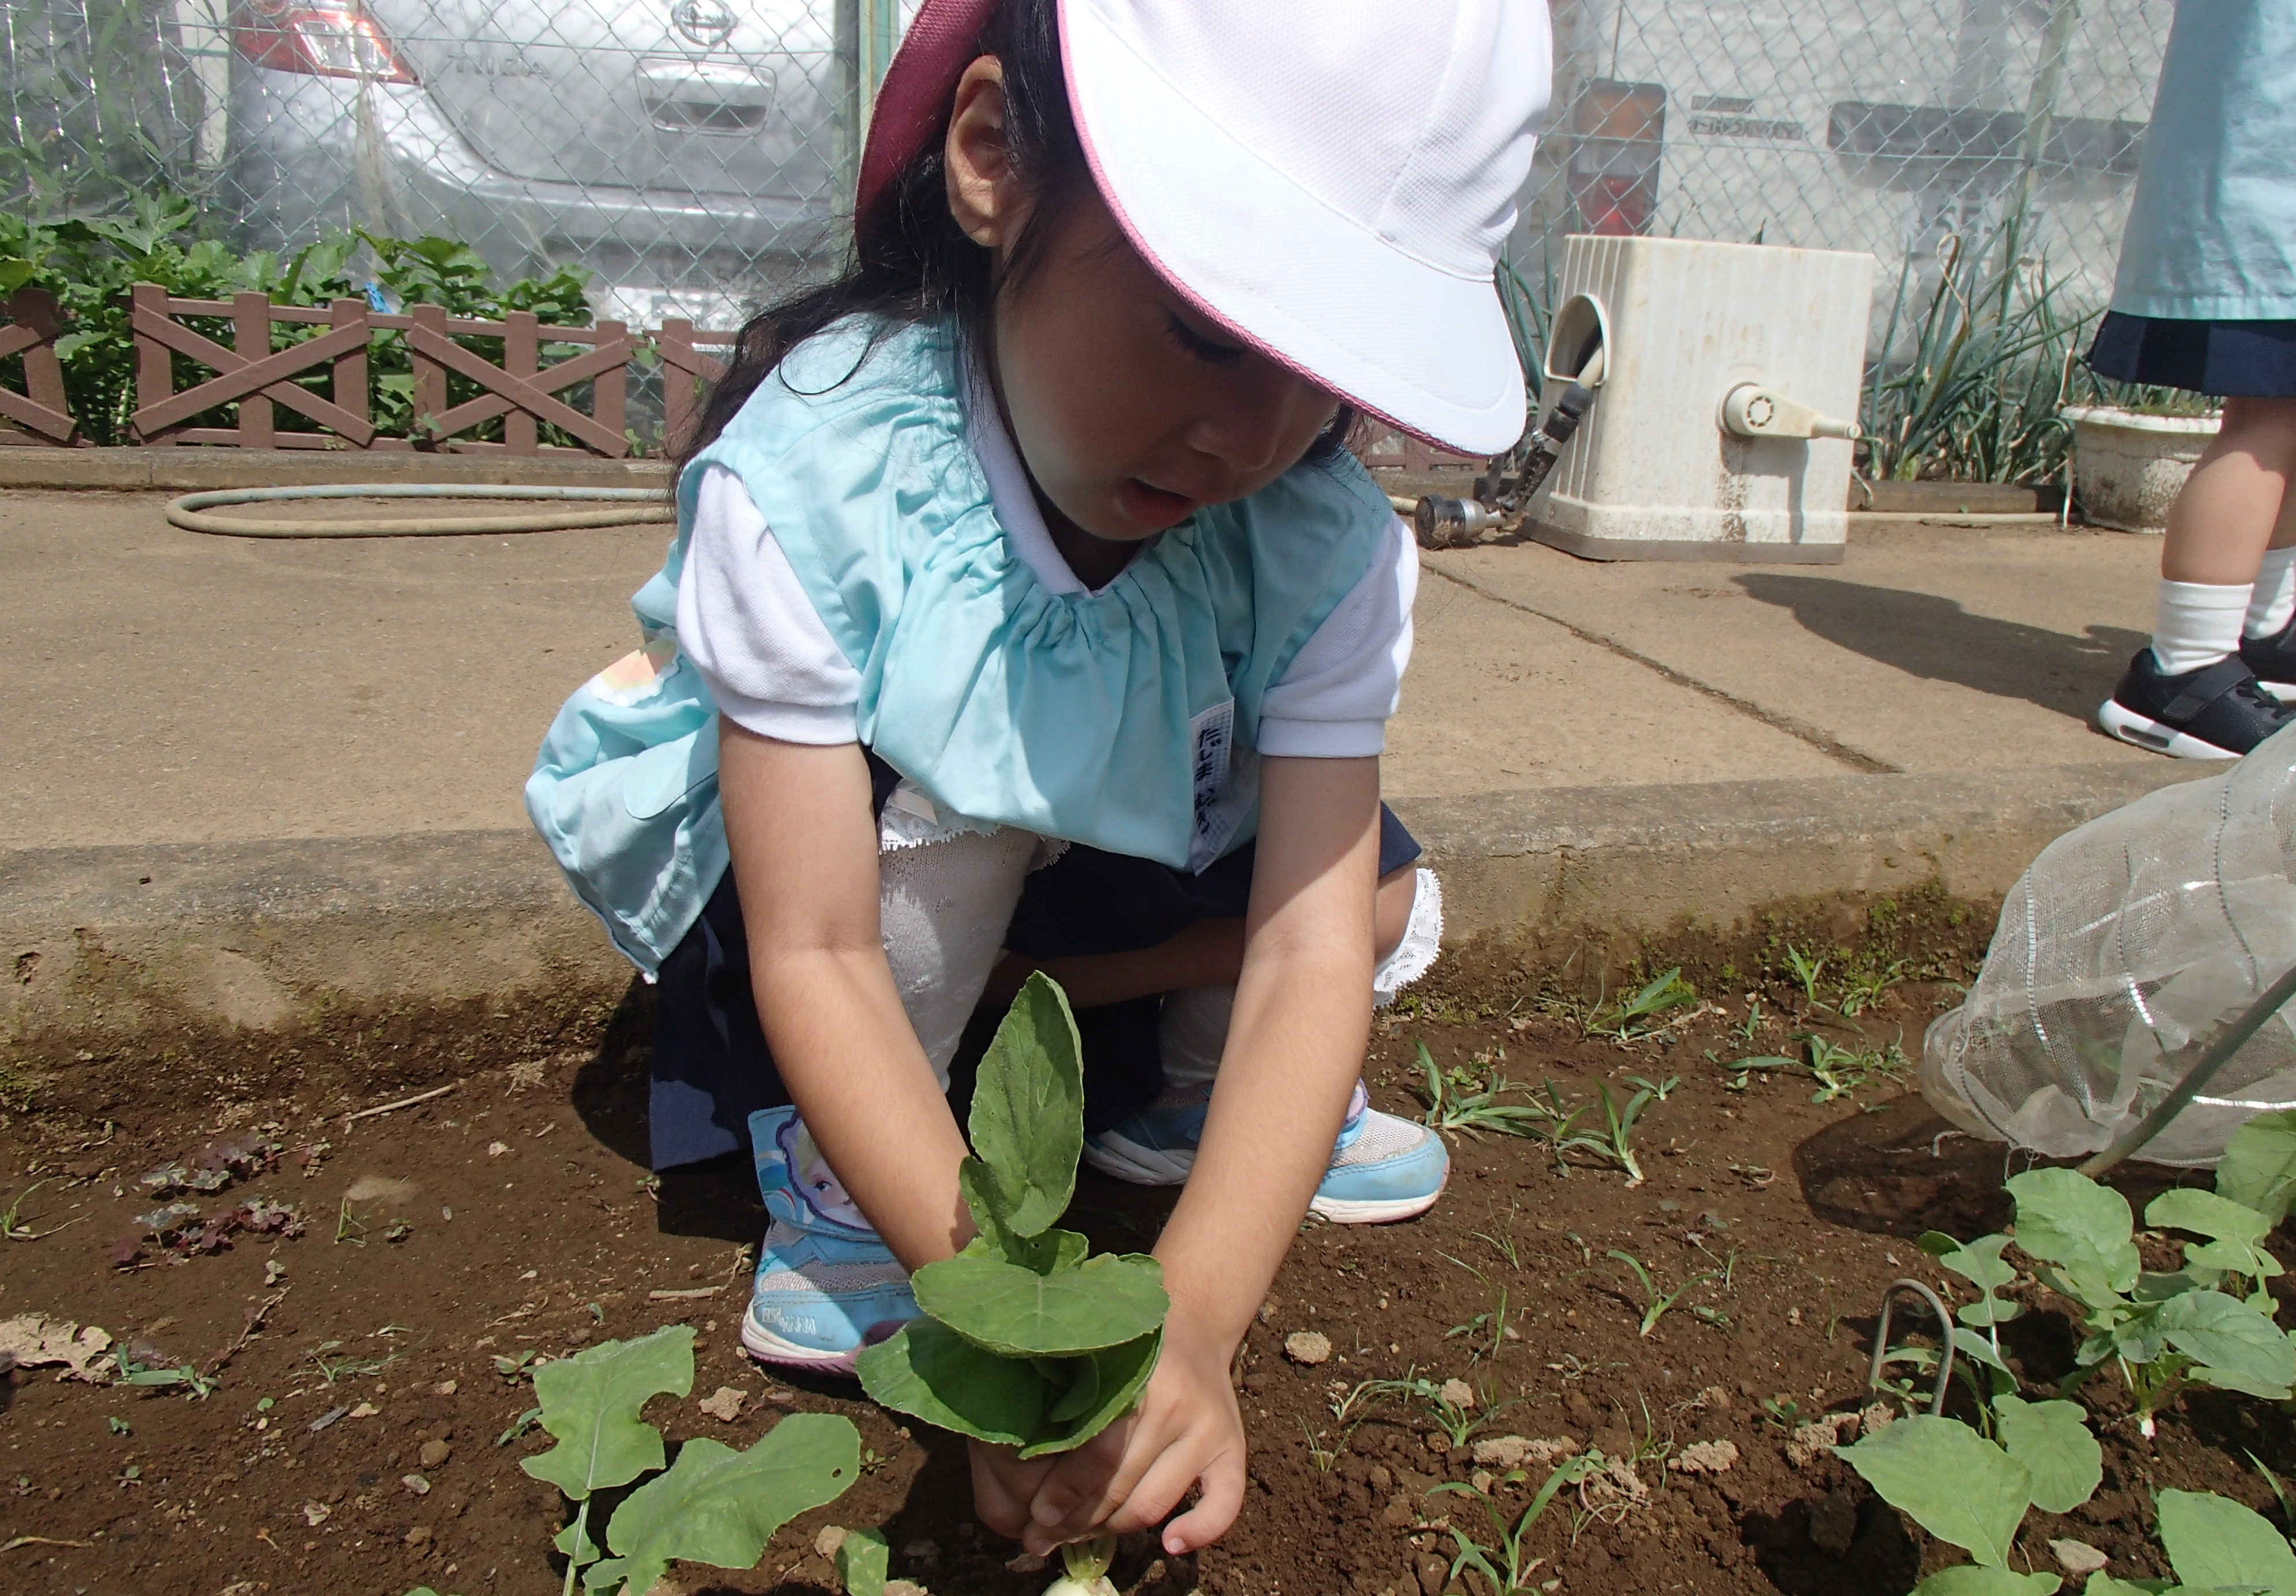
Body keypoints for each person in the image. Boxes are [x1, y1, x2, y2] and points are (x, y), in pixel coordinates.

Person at [527, 0, 1550, 1558]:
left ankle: (1192, 1107)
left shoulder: (1319, 536)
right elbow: (815, 941)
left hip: (1092, 851)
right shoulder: (827, 473)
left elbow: (1306, 943)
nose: (1249, 435)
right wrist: (994, 1294)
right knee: (962, 812)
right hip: (850, 891)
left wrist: (1194, 1318)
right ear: (993, 154)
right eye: (1207, 327)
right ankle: (851, 1178)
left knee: (1381, 883)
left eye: (1326, 378)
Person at [2094, 0, 2296, 760]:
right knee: (2269, 423)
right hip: (2270, 191)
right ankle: (2183, 670)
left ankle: (2262, 629)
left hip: (2256, 180)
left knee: (2279, 410)